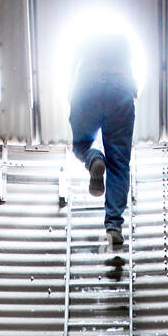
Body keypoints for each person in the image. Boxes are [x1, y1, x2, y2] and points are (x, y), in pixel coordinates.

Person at [68, 31, 136, 252]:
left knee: (80, 145)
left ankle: (93, 158)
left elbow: (71, 73)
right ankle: (114, 227)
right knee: (119, 163)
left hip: (86, 85)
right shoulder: (124, 41)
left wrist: (75, 96)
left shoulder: (84, 39)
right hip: (121, 88)